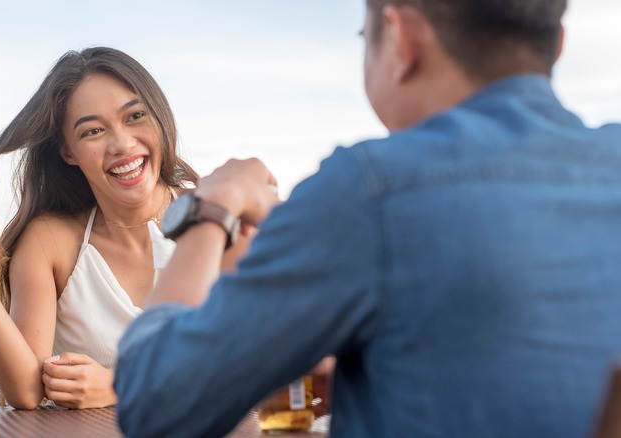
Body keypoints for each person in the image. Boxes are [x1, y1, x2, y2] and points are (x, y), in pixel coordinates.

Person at [113, 0, 621, 437]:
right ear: (555, 44)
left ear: (401, 38)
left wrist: (211, 210)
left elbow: (155, 404)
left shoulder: (371, 189)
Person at [0, 47, 241, 410]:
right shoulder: (51, 242)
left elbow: (259, 362)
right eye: (93, 131)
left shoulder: (217, 217)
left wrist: (122, 386)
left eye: (135, 116)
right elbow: (26, 392)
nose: (122, 144)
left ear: (159, 118)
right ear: (68, 152)